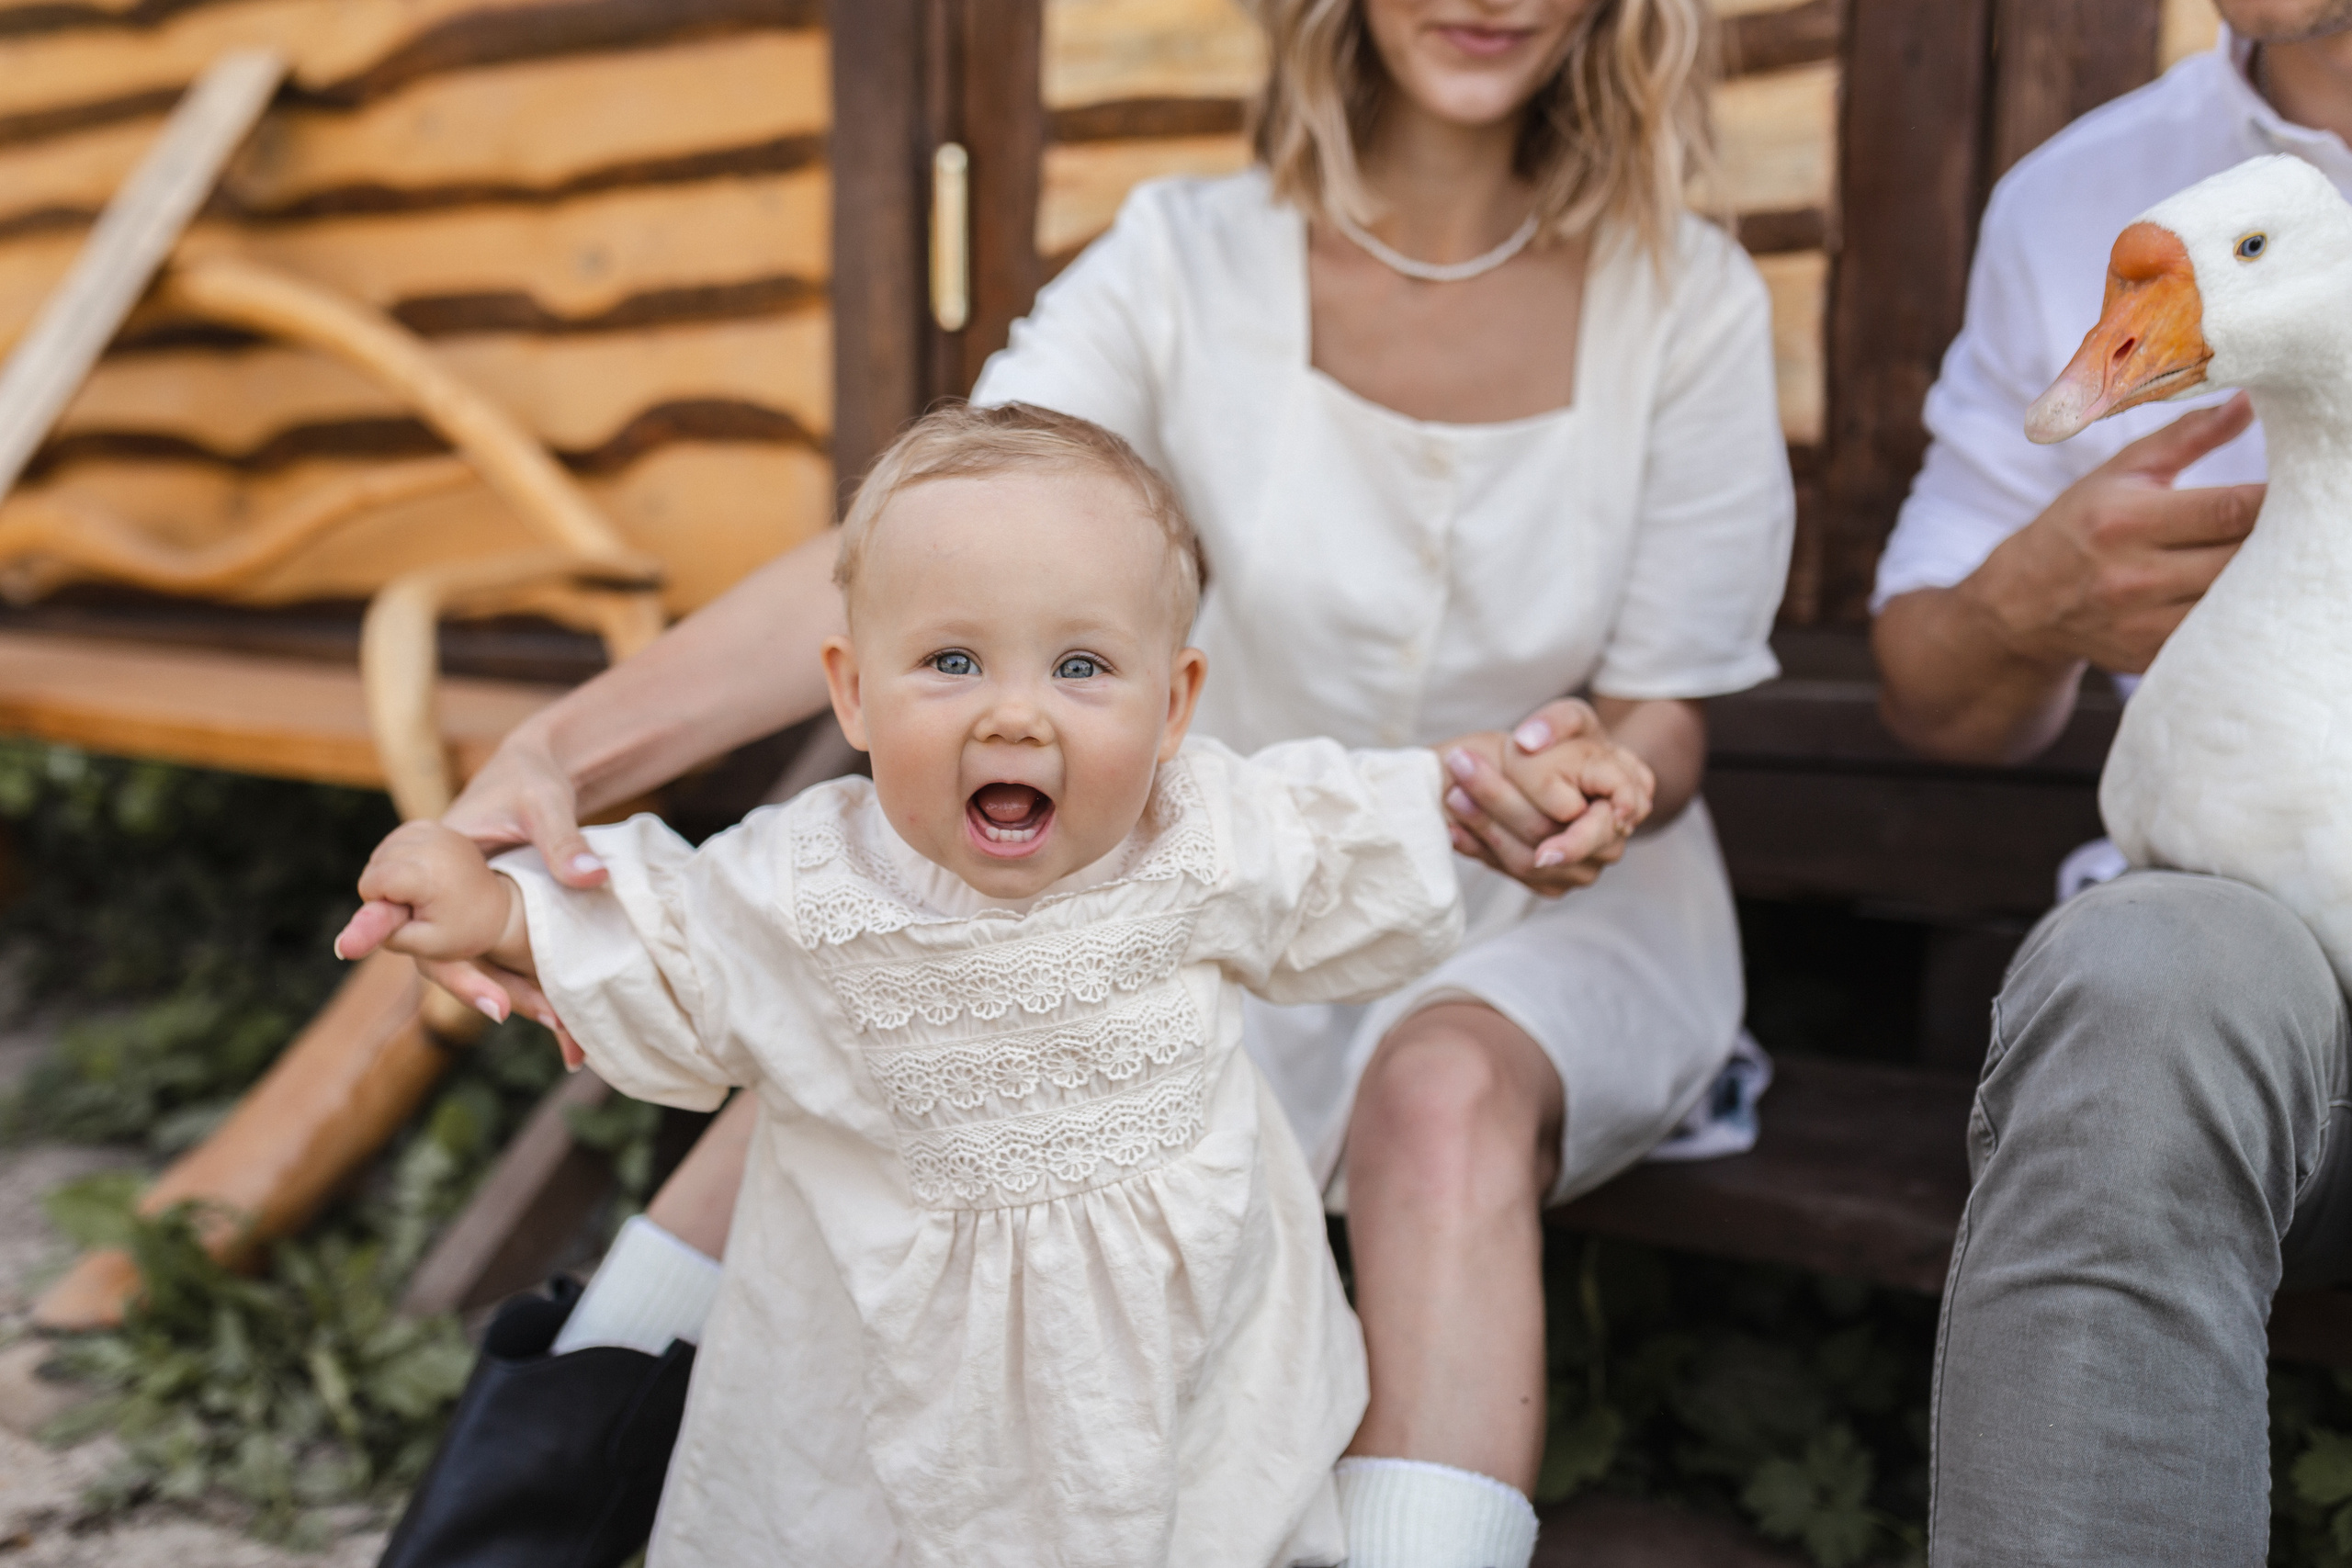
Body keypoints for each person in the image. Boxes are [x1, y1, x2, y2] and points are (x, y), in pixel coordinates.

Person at [345, 0, 1793, 1561]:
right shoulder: (1187, 259)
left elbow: (1668, 706)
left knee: (1438, 1094)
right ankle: (513, 1531)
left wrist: (1599, 788)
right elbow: (907, 553)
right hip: (1163, 850)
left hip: (1535, 903)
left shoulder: (1686, 295)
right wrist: (566, 751)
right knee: (888, 1007)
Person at [355, 402, 1589, 1564]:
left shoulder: (1204, 835)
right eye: (951, 661)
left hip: (1175, 1377)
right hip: (883, 1387)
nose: (1016, 716)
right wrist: (493, 905)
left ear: (1176, 704)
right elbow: (662, 935)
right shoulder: (805, 888)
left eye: (1082, 669)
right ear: (850, 690)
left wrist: (1493, 790)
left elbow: (1371, 828)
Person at [1869, 6, 2352, 1562]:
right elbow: (1932, 685)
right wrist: (2025, 605)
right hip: (2251, 953)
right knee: (2141, 986)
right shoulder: (2086, 194)